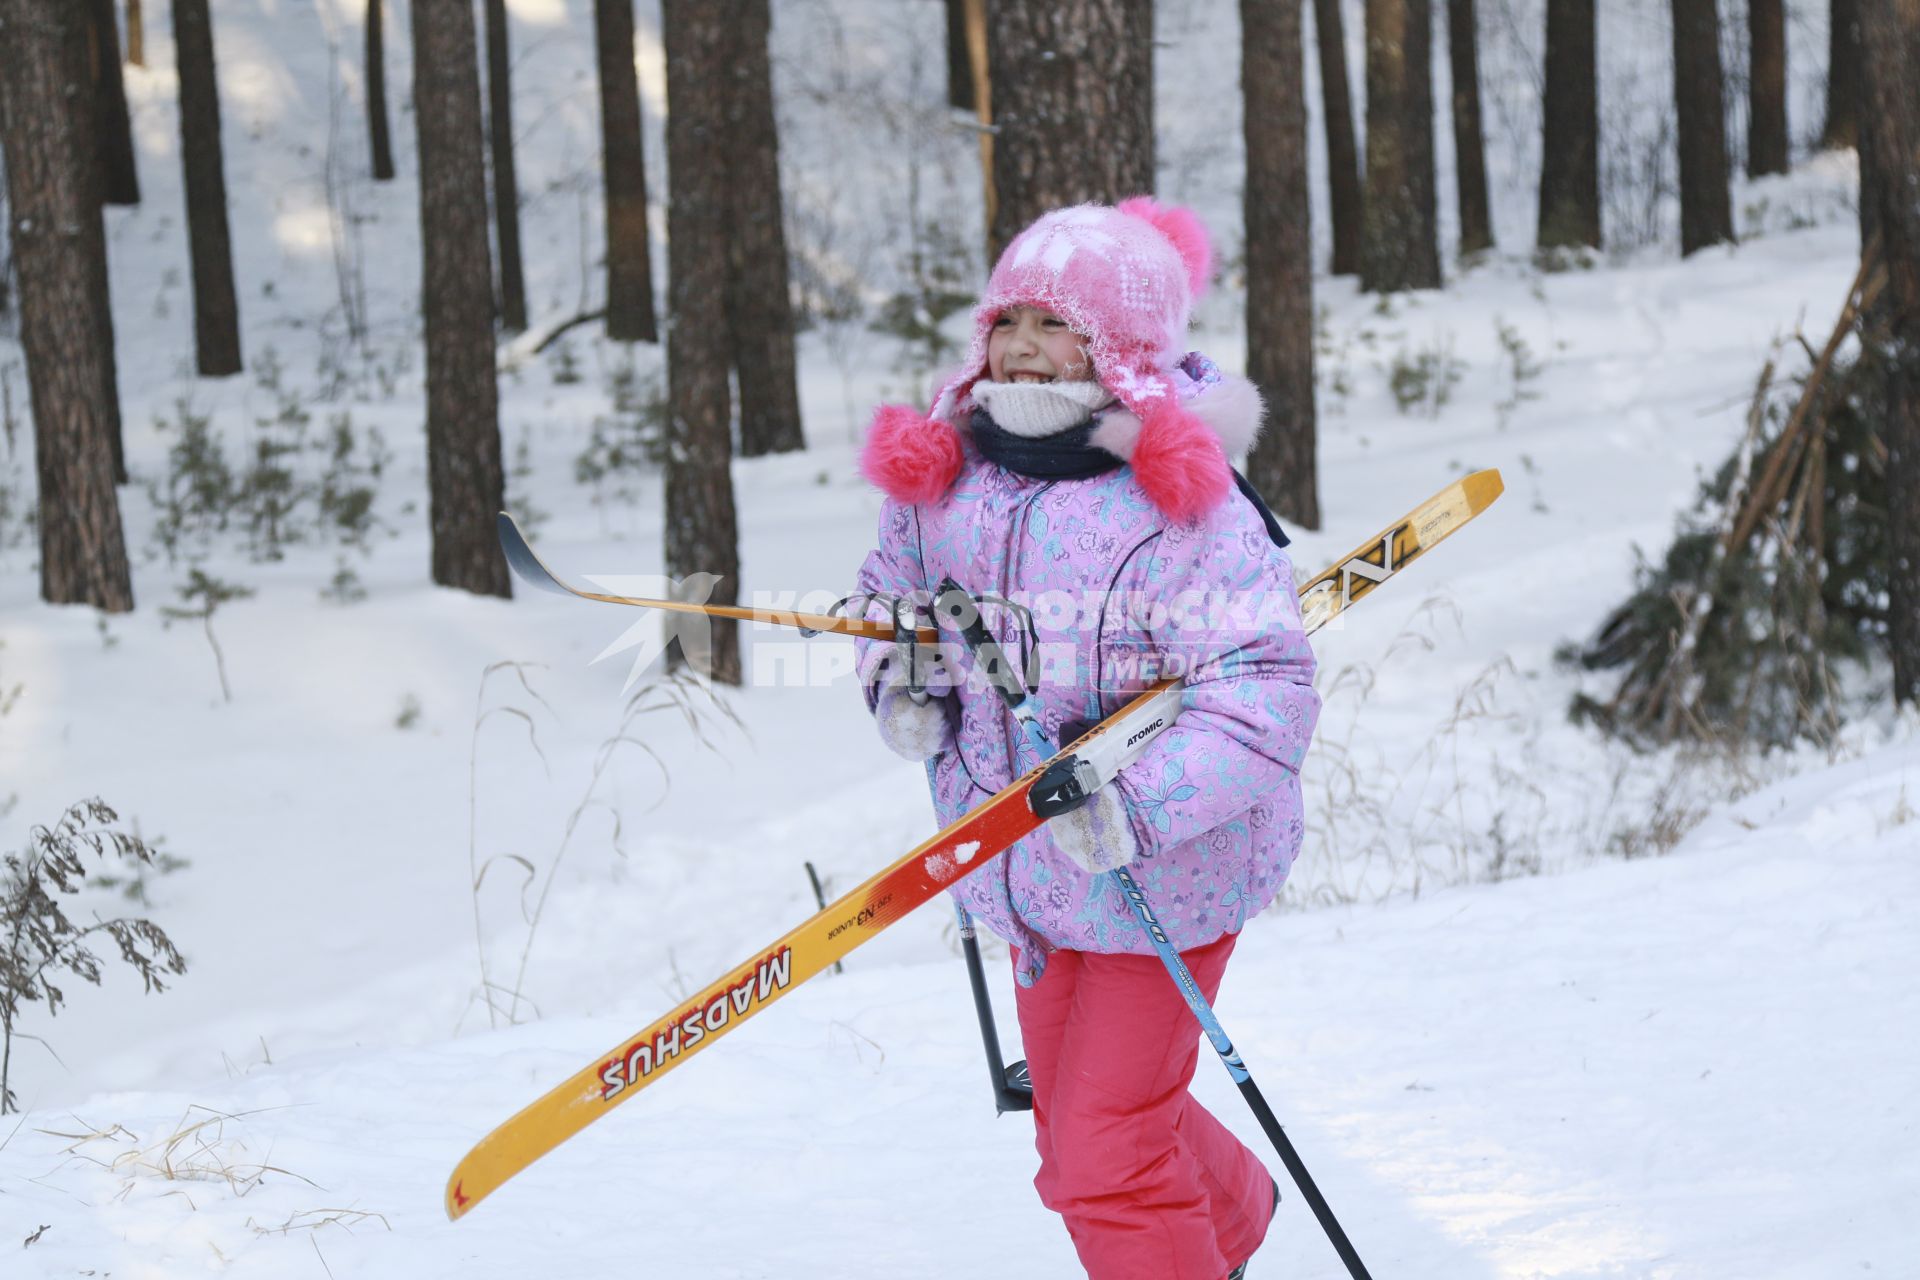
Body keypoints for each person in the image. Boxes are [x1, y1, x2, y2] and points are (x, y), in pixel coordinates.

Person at [850, 199, 1320, 1280]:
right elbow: (887, 598)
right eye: (1007, 317)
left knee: (1102, 1162)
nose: (1020, 344)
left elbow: (1263, 686)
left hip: (1169, 866)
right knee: (1071, 1134)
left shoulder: (1177, 502)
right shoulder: (947, 479)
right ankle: (1233, 1221)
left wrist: (1137, 806)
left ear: (1123, 346)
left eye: (1055, 324)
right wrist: (899, 675)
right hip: (1023, 869)